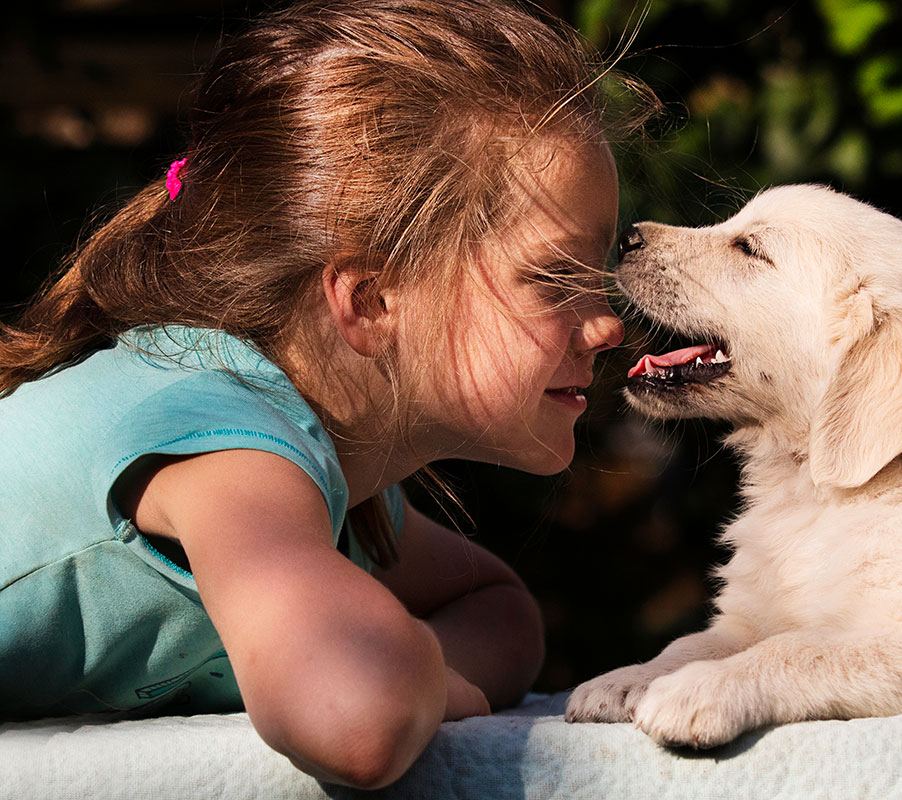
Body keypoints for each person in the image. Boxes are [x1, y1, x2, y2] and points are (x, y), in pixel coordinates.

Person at [0, 0, 647, 788]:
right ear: (373, 302)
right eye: (556, 278)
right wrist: (422, 681)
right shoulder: (222, 439)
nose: (608, 325)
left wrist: (433, 676)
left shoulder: (319, 466)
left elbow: (497, 604)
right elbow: (353, 714)